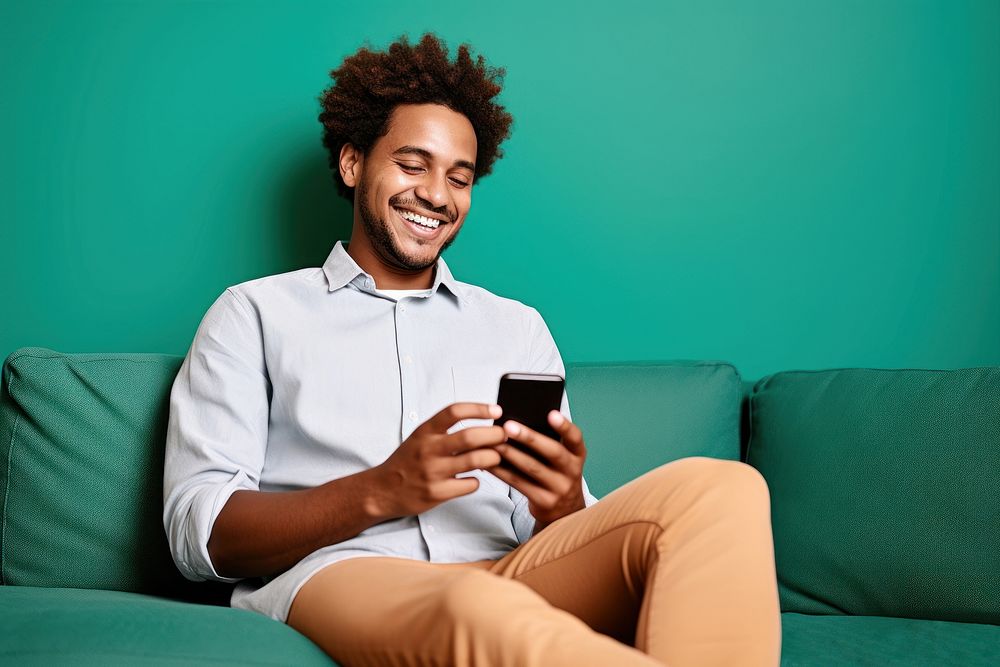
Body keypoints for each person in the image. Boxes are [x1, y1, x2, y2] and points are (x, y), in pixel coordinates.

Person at [163, 32, 781, 666]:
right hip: (345, 573)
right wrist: (382, 490)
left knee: (725, 489)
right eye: (412, 164)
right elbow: (197, 529)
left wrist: (562, 501)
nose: (437, 194)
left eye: (459, 178)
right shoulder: (255, 313)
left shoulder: (516, 328)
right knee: (482, 612)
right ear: (352, 164)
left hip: (512, 568)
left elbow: (560, 528)